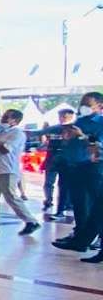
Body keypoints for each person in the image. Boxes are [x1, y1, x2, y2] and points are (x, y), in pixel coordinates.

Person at [52, 92, 103, 256]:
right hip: (74, 167)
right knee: (79, 204)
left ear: (99, 106)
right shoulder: (79, 121)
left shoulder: (100, 123)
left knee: (96, 205)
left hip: (92, 167)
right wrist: (67, 139)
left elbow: (98, 146)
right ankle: (80, 238)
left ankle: (97, 240)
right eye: (82, 103)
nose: (84, 107)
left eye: (88, 104)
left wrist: (82, 136)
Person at [0, 109, 40, 236]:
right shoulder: (0, 132)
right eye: (4, 116)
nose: (3, 119)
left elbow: (6, 149)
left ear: (15, 121)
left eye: (7, 117)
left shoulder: (17, 133)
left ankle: (31, 221)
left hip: (7, 169)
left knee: (11, 197)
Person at [43, 108, 76, 220]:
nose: (62, 119)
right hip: (52, 160)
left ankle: (64, 206)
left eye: (65, 117)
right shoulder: (54, 129)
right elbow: (46, 141)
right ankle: (49, 200)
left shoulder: (75, 130)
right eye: (61, 116)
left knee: (64, 186)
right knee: (49, 182)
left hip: (66, 162)